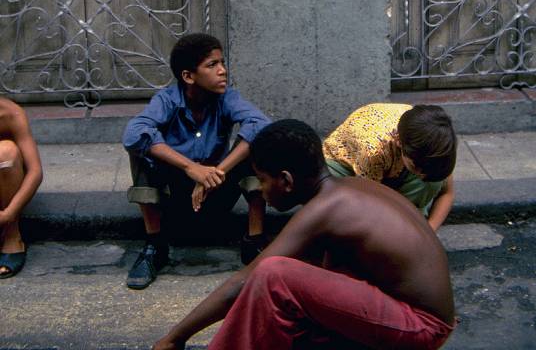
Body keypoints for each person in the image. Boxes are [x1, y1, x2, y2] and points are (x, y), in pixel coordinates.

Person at [152, 119, 456, 350]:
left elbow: (245, 280)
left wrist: (174, 337)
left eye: (262, 179)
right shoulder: (349, 188)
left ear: (285, 180)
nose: (260, 189)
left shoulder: (324, 209)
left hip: (422, 326)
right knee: (300, 271)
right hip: (413, 311)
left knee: (274, 274)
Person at [123, 33, 270, 289]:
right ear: (188, 76)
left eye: (222, 63)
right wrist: (192, 168)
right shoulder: (167, 100)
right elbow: (133, 133)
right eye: (212, 65)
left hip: (218, 190)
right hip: (177, 196)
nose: (223, 71)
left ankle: (253, 241)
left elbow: (260, 123)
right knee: (141, 148)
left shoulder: (227, 98)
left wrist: (214, 172)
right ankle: (154, 246)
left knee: (259, 142)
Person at [323, 103, 457, 230]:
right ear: (399, 142)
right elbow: (369, 204)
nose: (420, 175)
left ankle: (410, 222)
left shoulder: (437, 144)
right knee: (351, 211)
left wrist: (429, 232)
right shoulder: (373, 150)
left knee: (430, 183)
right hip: (346, 166)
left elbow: (447, 193)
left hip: (390, 167)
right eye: (416, 169)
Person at [0, 96, 43, 279]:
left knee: (6, 153)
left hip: (5, 189)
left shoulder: (11, 113)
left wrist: (8, 214)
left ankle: (11, 236)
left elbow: (35, 172)